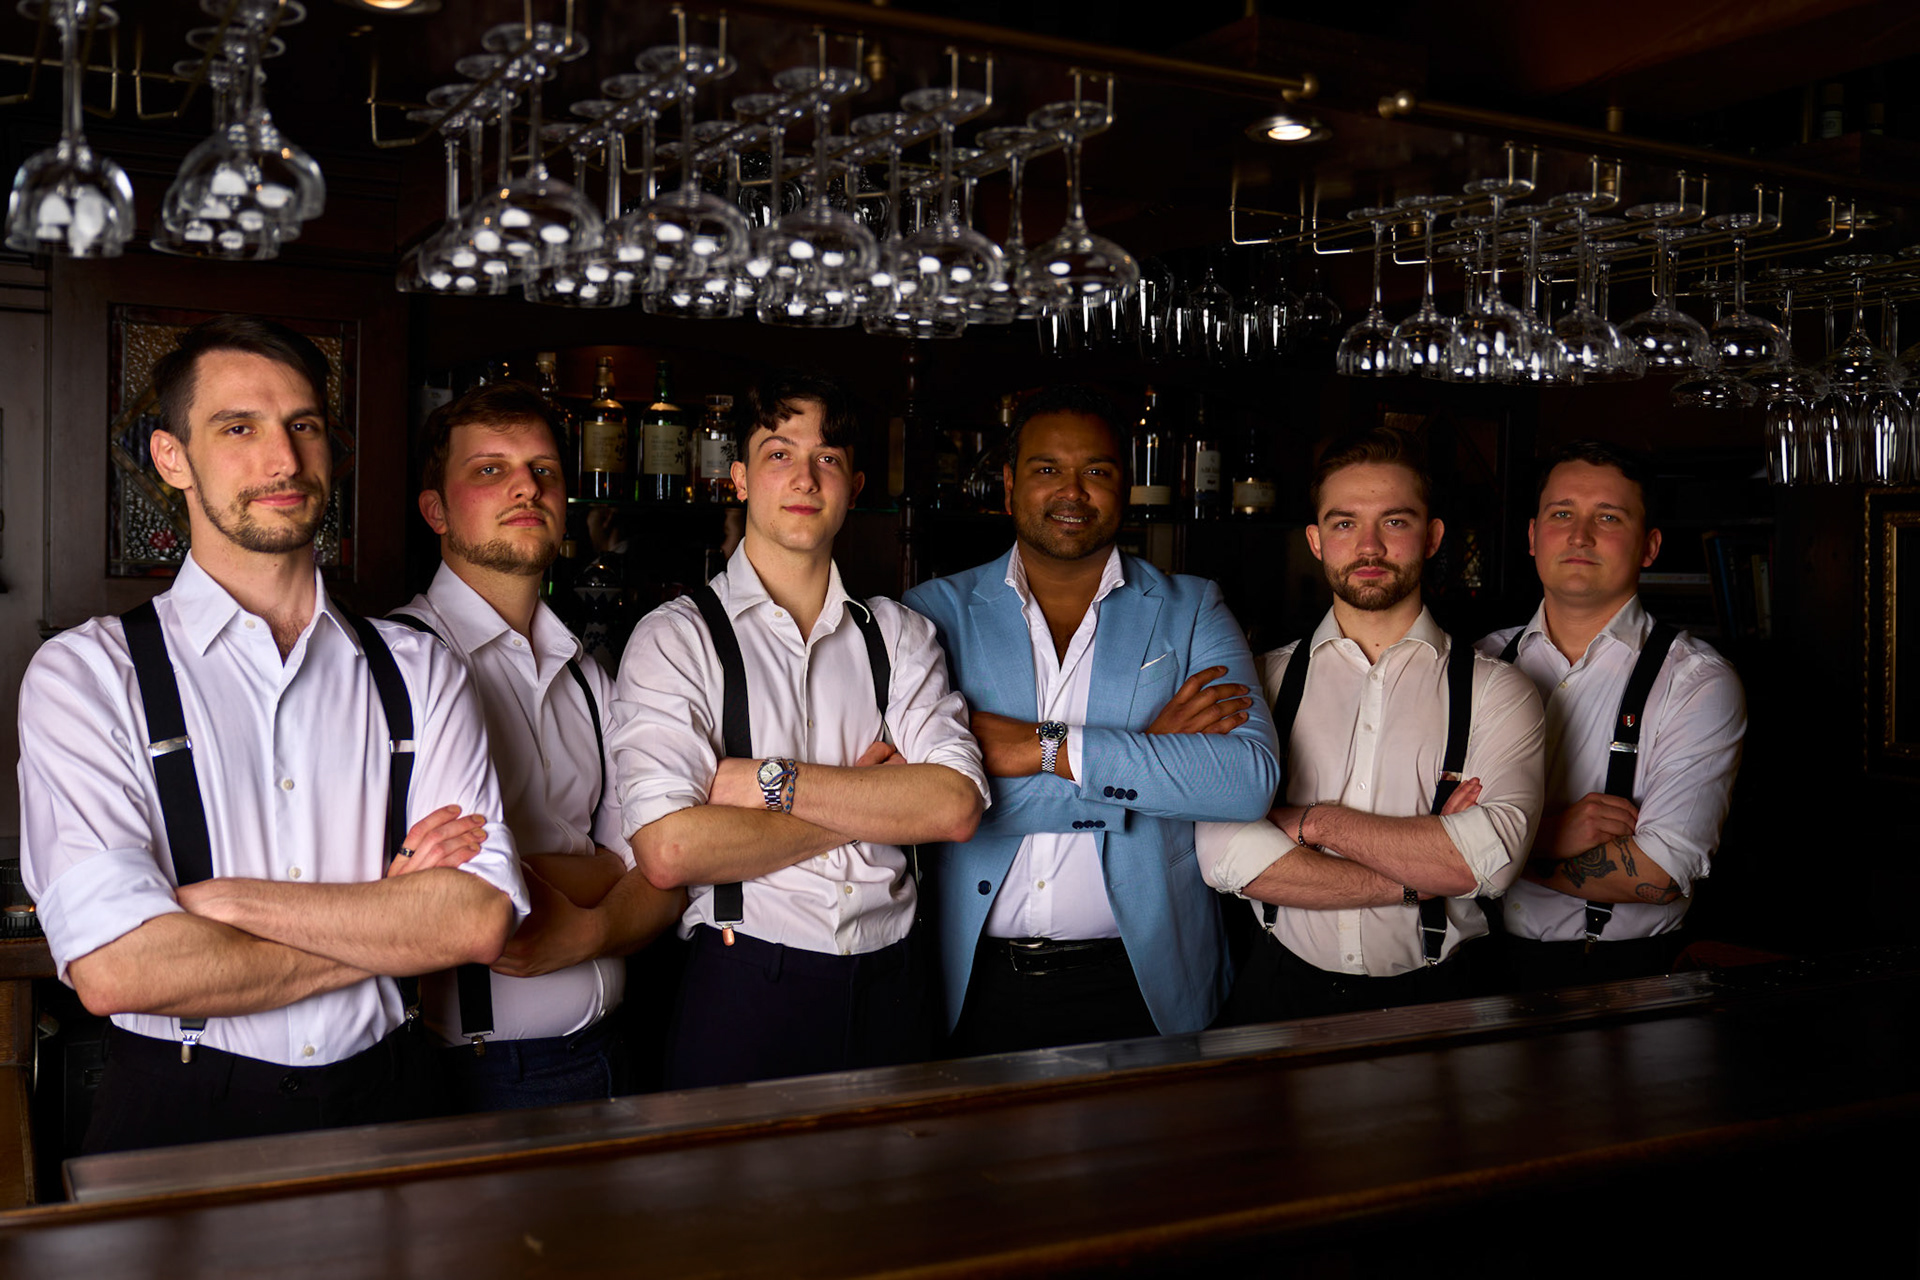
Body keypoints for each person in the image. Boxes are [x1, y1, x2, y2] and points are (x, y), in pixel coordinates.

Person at [17, 315, 528, 1153]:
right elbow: (120, 968)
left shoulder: (421, 670)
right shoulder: (88, 675)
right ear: (171, 457)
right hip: (178, 1111)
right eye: (238, 428)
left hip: (391, 1100)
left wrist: (227, 904)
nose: (283, 461)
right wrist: (393, 927)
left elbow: (474, 922)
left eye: (304, 425)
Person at [613, 368, 987, 1089]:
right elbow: (669, 849)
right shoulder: (676, 638)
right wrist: (872, 802)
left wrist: (763, 782)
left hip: (896, 987)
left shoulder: (900, 634)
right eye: (780, 453)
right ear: (739, 479)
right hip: (748, 987)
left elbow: (954, 806)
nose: (805, 478)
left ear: (855, 486)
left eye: (828, 458)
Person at [904, 385, 1280, 1054]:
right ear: (1010, 485)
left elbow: (1246, 782)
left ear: (1125, 487)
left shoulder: (1192, 608)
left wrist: (1042, 747)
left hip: (1148, 982)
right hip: (972, 983)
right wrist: (1146, 756)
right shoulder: (931, 614)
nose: (1072, 491)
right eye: (1047, 468)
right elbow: (919, 800)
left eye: (1097, 471)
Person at [397, 382, 685, 1109]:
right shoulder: (395, 663)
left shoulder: (590, 674)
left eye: (544, 470)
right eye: (490, 469)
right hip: (478, 1077)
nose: (526, 487)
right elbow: (444, 893)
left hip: (615, 1055)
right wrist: (605, 868)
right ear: (435, 510)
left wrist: (586, 932)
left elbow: (667, 869)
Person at [1197, 425, 1544, 1022]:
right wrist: (1419, 873)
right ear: (1316, 540)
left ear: (1432, 537)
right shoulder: (1257, 682)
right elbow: (1223, 856)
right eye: (1344, 523)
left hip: (1441, 1000)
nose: (1369, 546)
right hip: (1279, 993)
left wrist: (1311, 824)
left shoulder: (1500, 690)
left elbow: (1489, 862)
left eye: (1395, 521)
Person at [1477, 441, 1745, 989]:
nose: (1580, 535)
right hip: (1478, 970)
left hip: (1625, 981)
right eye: (1561, 514)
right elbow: (1423, 824)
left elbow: (1660, 874)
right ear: (1532, 536)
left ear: (1649, 547)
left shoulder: (1697, 682)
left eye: (1608, 517)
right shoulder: (1475, 663)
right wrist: (1549, 837)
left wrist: (1479, 852)